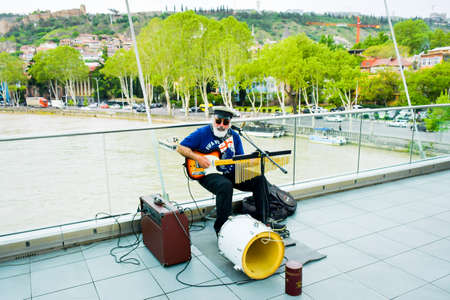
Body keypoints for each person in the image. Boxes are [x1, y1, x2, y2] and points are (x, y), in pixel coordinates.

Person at [176, 106, 269, 236]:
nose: (221, 125)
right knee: (225, 185)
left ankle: (263, 220)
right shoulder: (202, 133)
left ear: (230, 123)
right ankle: (222, 229)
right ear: (213, 120)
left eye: (225, 123)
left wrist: (252, 161)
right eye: (218, 121)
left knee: (259, 179)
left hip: (230, 171)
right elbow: (180, 148)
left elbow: (239, 159)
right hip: (207, 173)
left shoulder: (235, 136)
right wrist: (198, 158)